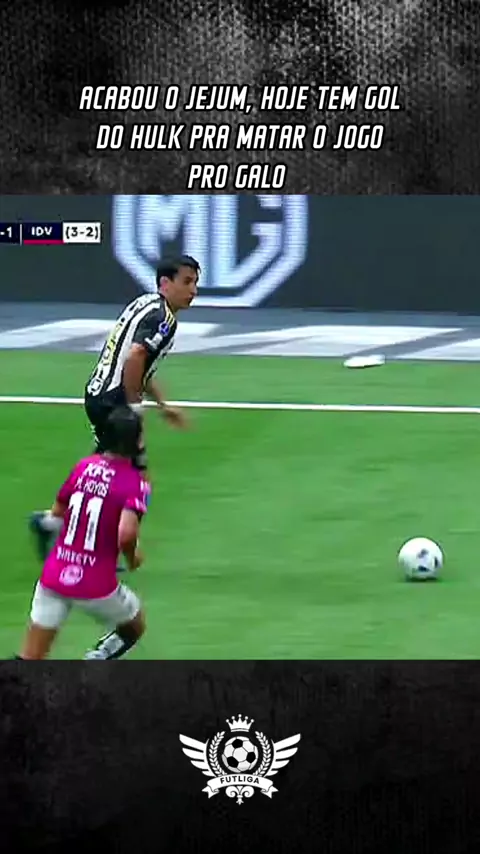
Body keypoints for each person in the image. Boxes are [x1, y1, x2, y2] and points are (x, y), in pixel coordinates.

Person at [30, 254, 200, 559]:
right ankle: (111, 547)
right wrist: (134, 409)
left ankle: (51, 523)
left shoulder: (144, 304)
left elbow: (139, 365)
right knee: (137, 478)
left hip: (99, 393)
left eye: (195, 283)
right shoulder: (163, 319)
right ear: (165, 283)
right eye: (187, 282)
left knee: (100, 469)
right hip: (114, 402)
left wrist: (163, 405)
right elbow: (135, 357)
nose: (193, 290)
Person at [16, 407, 149, 660]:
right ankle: (98, 657)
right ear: (137, 442)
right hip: (96, 586)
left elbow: (57, 513)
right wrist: (133, 558)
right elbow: (126, 534)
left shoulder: (83, 466)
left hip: (54, 576)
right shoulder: (135, 483)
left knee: (30, 658)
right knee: (134, 626)